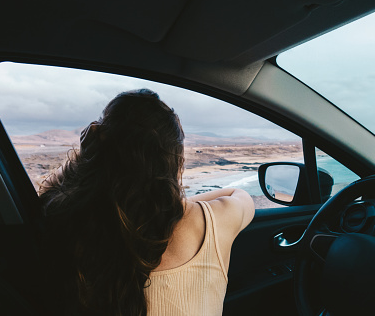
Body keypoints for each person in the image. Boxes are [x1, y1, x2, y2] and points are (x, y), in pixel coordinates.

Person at [39, 89, 254, 316]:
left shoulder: (69, 218)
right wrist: (170, 202)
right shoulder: (214, 220)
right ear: (176, 157)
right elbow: (239, 194)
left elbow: (46, 195)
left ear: (98, 144)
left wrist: (86, 154)